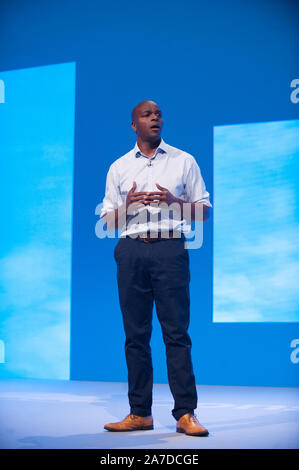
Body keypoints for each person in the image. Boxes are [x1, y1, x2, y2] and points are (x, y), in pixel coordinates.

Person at [100, 100, 212, 436]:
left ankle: (185, 414)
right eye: (147, 115)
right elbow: (108, 222)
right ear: (134, 124)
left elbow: (204, 212)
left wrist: (175, 203)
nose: (155, 118)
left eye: (159, 114)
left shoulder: (183, 161)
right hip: (131, 250)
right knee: (136, 337)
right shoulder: (118, 167)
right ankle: (139, 413)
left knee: (176, 334)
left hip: (169, 249)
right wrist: (128, 205)